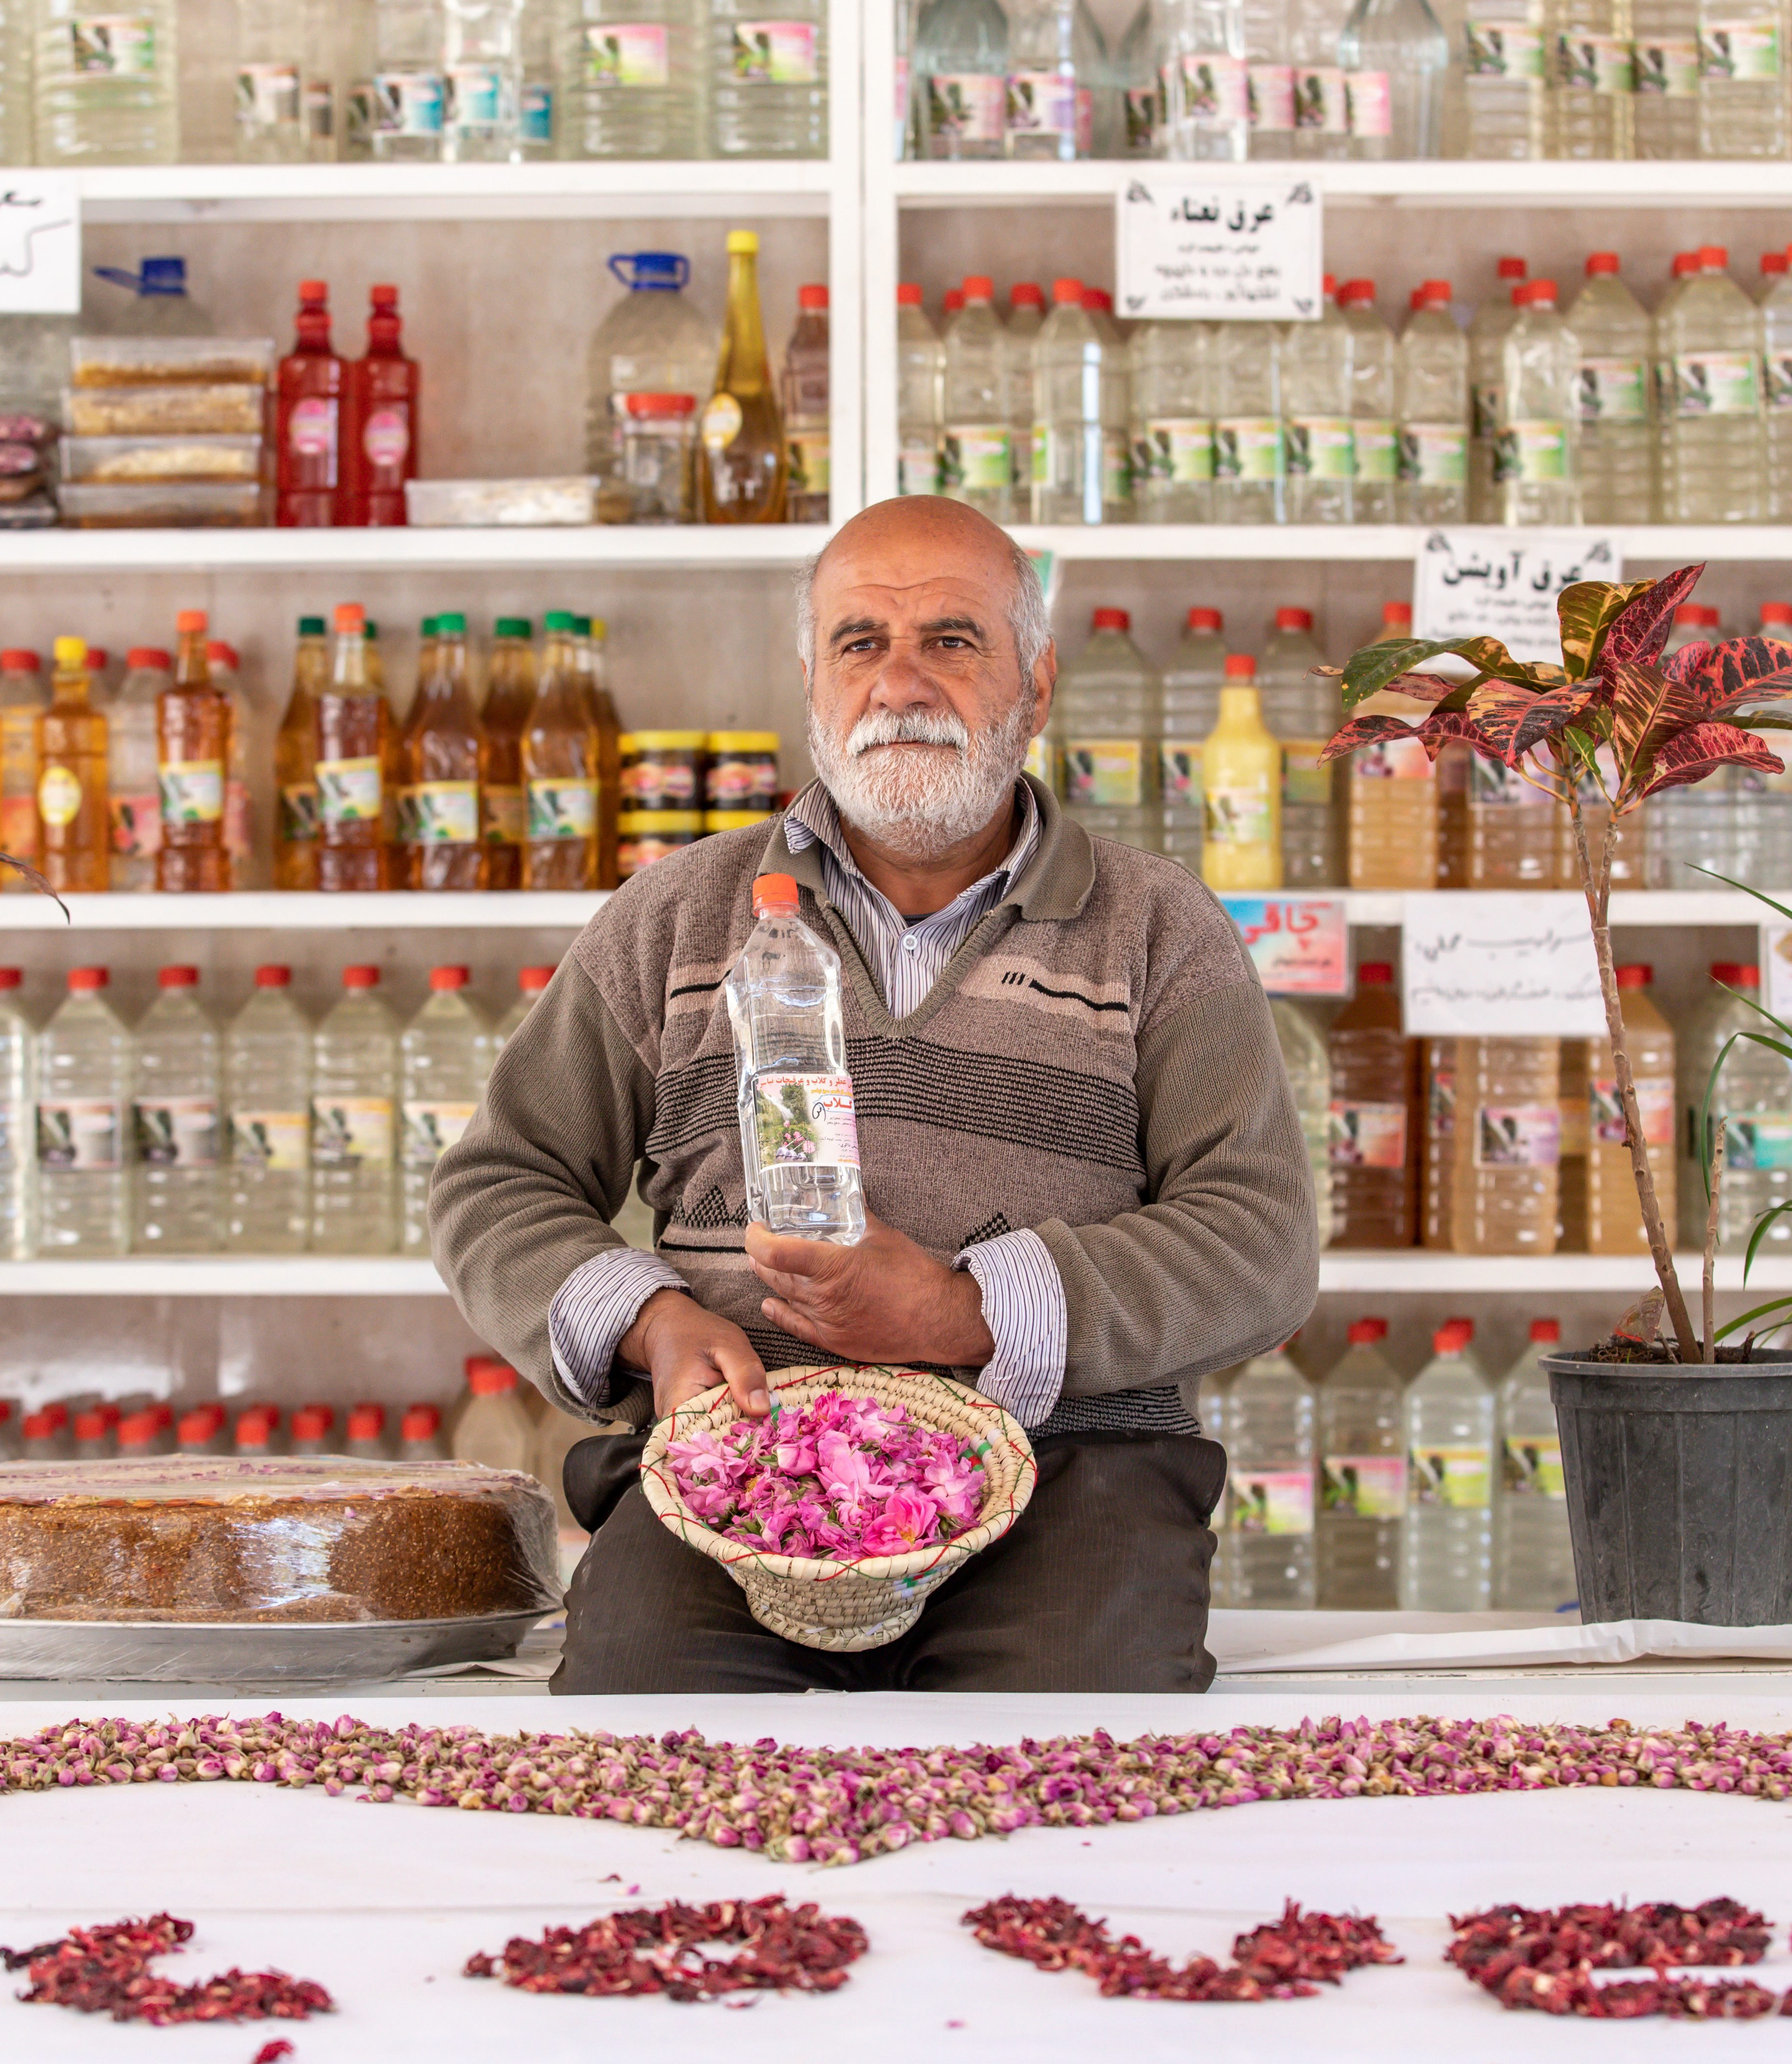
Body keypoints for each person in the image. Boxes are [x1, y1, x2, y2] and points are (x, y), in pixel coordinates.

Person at [431, 496, 1319, 1693]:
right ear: (813, 683)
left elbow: (1259, 1247)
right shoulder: (677, 916)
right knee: (644, 1725)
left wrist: (967, 1313)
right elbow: (499, 1183)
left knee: (1074, 1743)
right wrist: (655, 1322)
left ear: (1036, 686)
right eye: (861, 644)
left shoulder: (1159, 930)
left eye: (952, 640)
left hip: (1070, 1470)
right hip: (740, 1455)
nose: (899, 684)